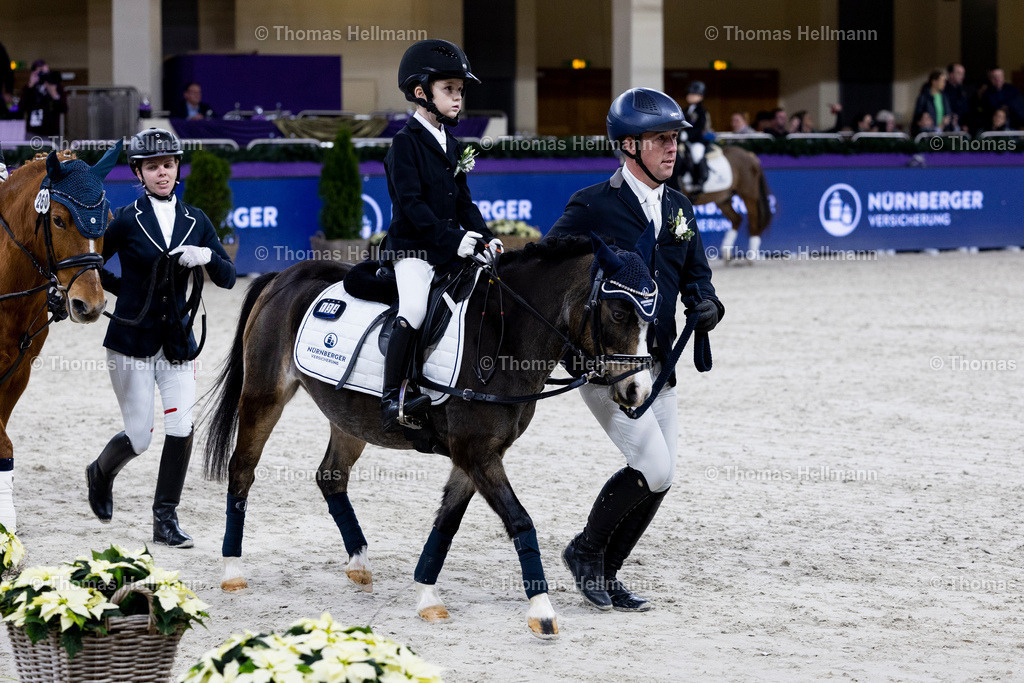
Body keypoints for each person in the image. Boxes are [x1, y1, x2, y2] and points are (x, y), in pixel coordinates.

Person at [546, 87, 724, 612]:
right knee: (653, 464)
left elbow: (696, 273)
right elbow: (547, 266)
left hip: (660, 359)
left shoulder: (680, 207)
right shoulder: (592, 205)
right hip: (609, 362)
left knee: (661, 472)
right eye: (661, 139)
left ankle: (606, 570)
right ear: (628, 145)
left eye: (674, 139)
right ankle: (585, 552)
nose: (673, 149)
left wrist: (707, 302)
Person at [86, 128, 236, 548]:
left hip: (178, 341)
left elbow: (226, 278)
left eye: (168, 165)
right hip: (131, 340)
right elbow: (94, 264)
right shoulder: (126, 219)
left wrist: (207, 257)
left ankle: (164, 518)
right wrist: (126, 293)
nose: (162, 173)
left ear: (177, 168)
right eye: (152, 167)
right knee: (139, 437)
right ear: (139, 172)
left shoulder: (196, 220)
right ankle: (100, 472)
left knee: (182, 426)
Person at [381, 39, 499, 432]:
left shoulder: (454, 145)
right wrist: (453, 240)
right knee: (414, 310)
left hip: (450, 246)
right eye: (449, 90)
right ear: (421, 93)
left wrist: (484, 237)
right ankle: (390, 396)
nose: (457, 98)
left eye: (460, 91)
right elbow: (412, 207)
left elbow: (464, 202)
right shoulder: (404, 144)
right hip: (413, 249)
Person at [21, 59, 65, 138]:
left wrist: (54, 95)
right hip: (33, 132)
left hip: (52, 132)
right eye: (39, 73)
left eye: (45, 73)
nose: (42, 76)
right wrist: (30, 86)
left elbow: (63, 108)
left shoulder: (56, 87)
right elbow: (22, 107)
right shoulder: (29, 89)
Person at [682, 81, 709, 194]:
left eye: (694, 94)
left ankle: (698, 182)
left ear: (701, 96)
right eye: (689, 94)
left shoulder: (701, 111)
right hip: (683, 140)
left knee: (696, 155)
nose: (690, 96)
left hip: (696, 140)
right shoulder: (685, 110)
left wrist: (688, 135)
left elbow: (700, 127)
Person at [912, 70, 952, 136]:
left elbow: (948, 113)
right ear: (934, 81)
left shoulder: (944, 97)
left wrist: (947, 120)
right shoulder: (924, 97)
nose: (944, 83)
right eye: (942, 81)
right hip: (929, 132)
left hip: (943, 131)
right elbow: (918, 116)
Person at [944, 63, 970, 131]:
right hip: (946, 126)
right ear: (950, 74)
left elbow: (965, 109)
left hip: (960, 126)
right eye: (959, 73)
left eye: (963, 74)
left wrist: (965, 123)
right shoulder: (943, 89)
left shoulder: (963, 90)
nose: (962, 76)